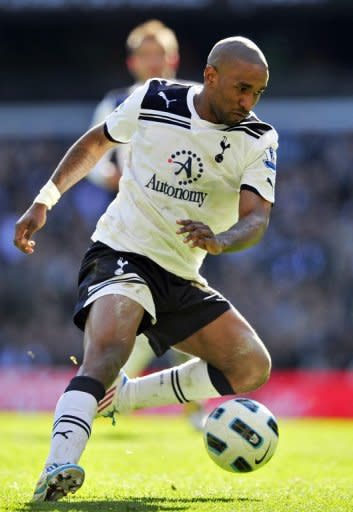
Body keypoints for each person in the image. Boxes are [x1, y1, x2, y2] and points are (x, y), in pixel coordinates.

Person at [14, 35, 278, 502]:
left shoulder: (258, 137)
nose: (247, 101)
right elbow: (97, 142)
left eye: (257, 92)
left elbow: (256, 217)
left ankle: (126, 397)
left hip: (180, 272)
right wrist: (44, 200)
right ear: (210, 76)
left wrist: (221, 241)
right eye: (241, 88)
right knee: (110, 348)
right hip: (123, 250)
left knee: (251, 366)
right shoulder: (156, 98)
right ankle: (58, 467)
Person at [88, 19, 206, 430]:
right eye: (147, 54)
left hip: (182, 223)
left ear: (173, 58)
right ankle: (111, 389)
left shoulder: (193, 98)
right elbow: (97, 155)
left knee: (186, 307)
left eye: (161, 54)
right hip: (131, 222)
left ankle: (114, 391)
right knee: (138, 311)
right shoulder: (117, 100)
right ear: (133, 61)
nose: (154, 61)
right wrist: (106, 175)